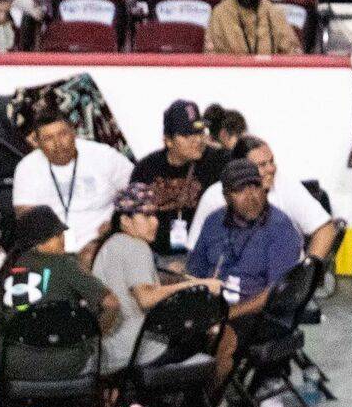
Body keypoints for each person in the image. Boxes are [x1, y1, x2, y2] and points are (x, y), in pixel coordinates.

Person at [187, 157, 306, 387]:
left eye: (255, 187)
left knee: (224, 336)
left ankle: (206, 404)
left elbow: (276, 294)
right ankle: (167, 397)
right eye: (240, 190)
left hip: (264, 314)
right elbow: (195, 271)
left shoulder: (280, 228)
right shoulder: (213, 223)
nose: (251, 197)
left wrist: (227, 315)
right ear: (226, 196)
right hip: (217, 305)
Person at [89, 183, 225, 371]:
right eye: (146, 216)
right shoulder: (135, 246)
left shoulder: (110, 244)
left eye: (155, 215)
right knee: (209, 338)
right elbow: (146, 298)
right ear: (125, 220)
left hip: (109, 352)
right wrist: (197, 285)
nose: (155, 222)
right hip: (136, 353)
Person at [0, 205, 121, 383]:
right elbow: (112, 304)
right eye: (57, 235)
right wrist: (94, 333)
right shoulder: (65, 264)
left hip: (13, 362)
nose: (63, 239)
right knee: (106, 354)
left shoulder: (11, 266)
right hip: (64, 362)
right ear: (40, 241)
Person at [187, 135, 337, 263]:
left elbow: (325, 229)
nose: (271, 169)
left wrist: (306, 275)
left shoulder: (286, 186)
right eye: (262, 165)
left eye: (271, 161)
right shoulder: (214, 197)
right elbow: (195, 251)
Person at [10, 106, 134, 256]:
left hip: (104, 242)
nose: (58, 143)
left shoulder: (103, 155)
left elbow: (137, 190)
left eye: (62, 134)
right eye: (48, 138)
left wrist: (115, 224)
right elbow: (27, 218)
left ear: (73, 132)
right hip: (55, 248)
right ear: (37, 142)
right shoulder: (27, 168)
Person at [129, 99, 226, 259]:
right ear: (168, 140)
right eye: (187, 134)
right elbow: (133, 218)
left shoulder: (218, 162)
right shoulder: (146, 167)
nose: (197, 140)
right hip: (152, 255)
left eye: (200, 132)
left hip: (201, 255)